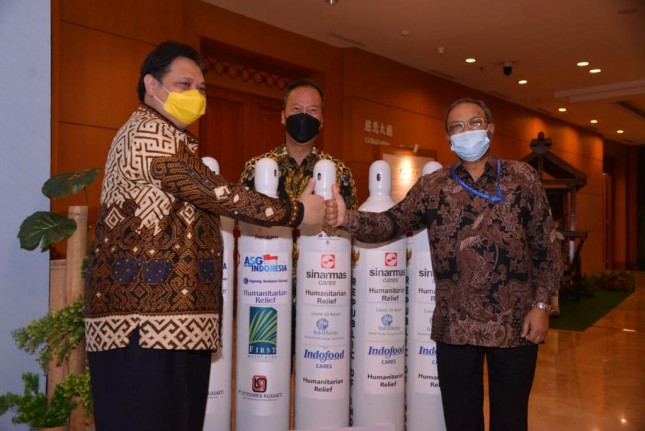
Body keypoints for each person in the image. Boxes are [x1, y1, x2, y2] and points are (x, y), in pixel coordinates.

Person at [84, 41, 325, 431]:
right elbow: (215, 192)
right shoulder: (146, 134)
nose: (195, 95)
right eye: (184, 83)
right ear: (152, 85)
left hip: (176, 327)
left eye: (201, 87)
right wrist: (295, 211)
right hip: (141, 327)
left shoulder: (176, 142)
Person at [325, 97, 562, 431]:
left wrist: (541, 305)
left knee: (511, 419)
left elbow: (546, 246)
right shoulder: (434, 186)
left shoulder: (522, 178)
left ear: (490, 127)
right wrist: (345, 216)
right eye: (457, 127)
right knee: (461, 420)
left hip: (516, 324)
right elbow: (392, 222)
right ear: (449, 137)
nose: (467, 132)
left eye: (475, 123)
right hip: (456, 325)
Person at [240, 78, 358, 209]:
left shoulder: (340, 171)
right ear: (283, 117)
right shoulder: (255, 167)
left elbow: (351, 224)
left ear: (322, 121)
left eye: (312, 110)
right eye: (296, 108)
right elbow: (242, 219)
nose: (304, 115)